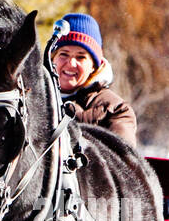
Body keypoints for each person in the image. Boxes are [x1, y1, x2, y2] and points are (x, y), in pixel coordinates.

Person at [51, 12, 138, 149]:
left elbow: (122, 163)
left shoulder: (116, 110)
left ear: (93, 66)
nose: (71, 63)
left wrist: (70, 115)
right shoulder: (31, 98)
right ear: (52, 59)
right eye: (64, 54)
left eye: (81, 57)